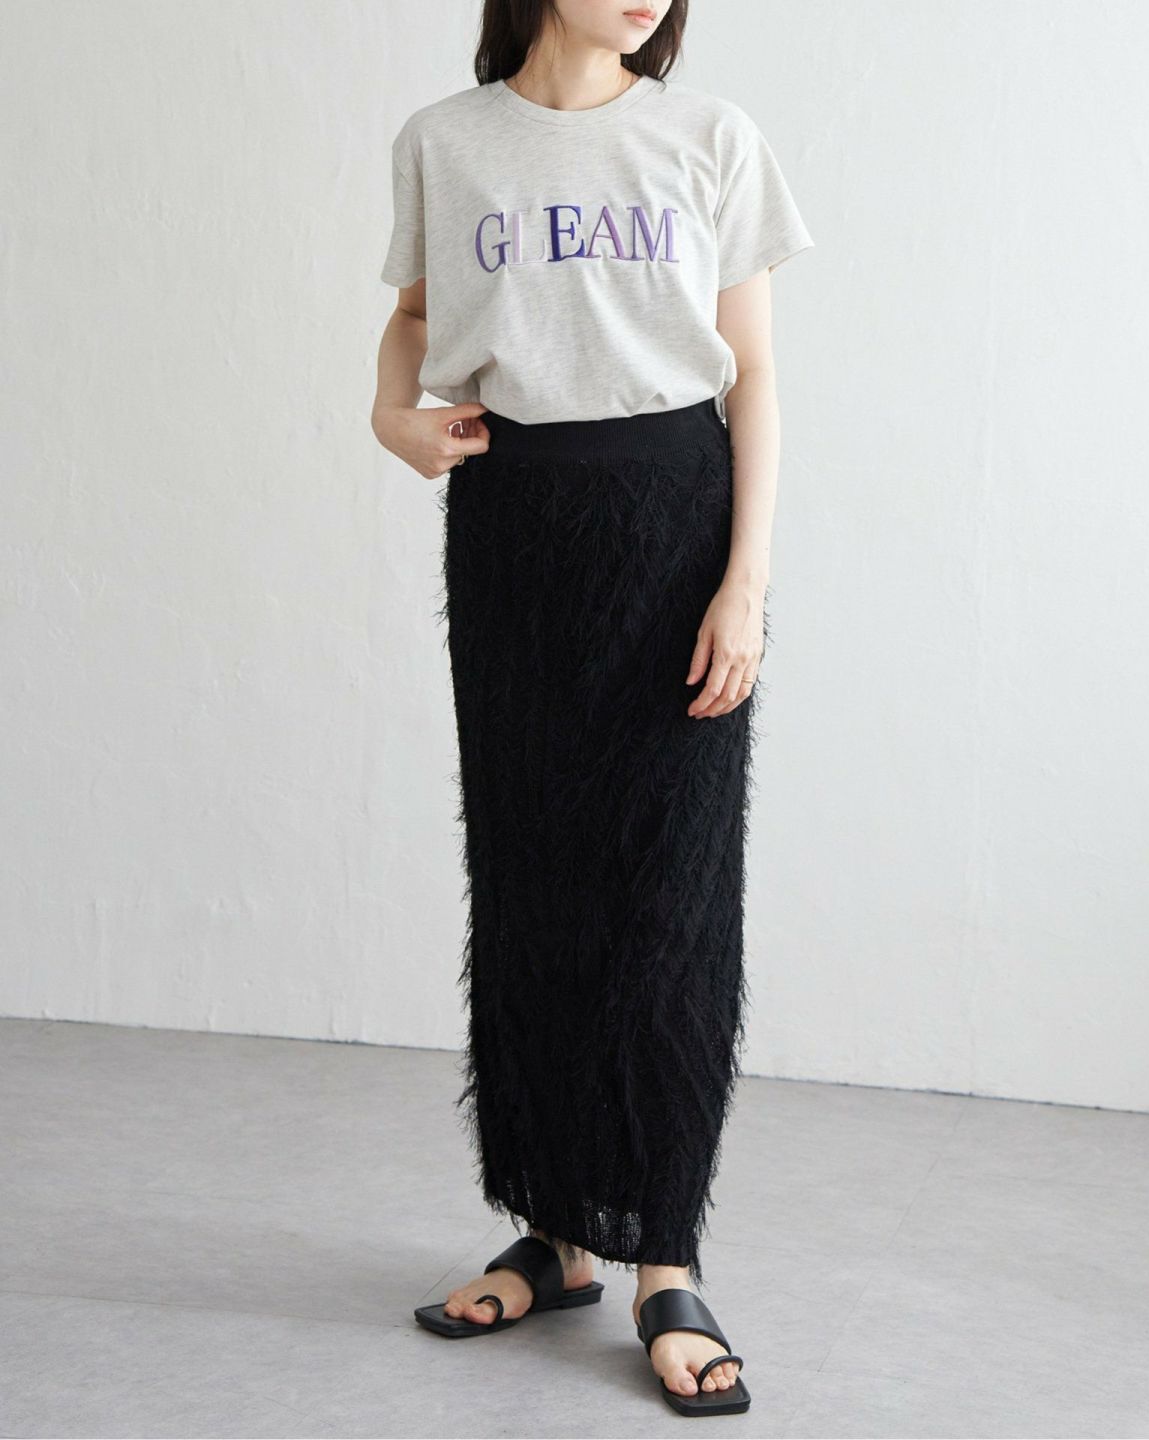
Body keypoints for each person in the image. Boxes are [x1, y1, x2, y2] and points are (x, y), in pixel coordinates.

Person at [370, 0, 814, 1419]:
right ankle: (556, 1231)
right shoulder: (446, 142)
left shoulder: (710, 138)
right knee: (531, 881)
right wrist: (391, 415)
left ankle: (665, 1261)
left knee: (672, 897)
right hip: (514, 532)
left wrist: (744, 585)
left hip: (675, 527)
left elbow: (756, 376)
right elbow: (414, 322)